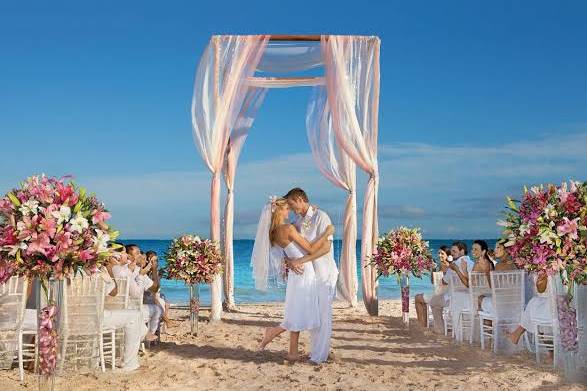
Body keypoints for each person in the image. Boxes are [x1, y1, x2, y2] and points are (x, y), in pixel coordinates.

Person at [255, 198, 334, 362]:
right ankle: (273, 332)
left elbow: (289, 249)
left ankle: (292, 352)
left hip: (296, 274)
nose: (289, 211)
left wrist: (310, 214)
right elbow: (310, 248)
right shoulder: (288, 228)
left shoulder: (275, 232)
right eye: (286, 209)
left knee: (296, 312)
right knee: (297, 314)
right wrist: (326, 233)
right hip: (303, 273)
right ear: (279, 212)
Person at [284, 188, 339, 364]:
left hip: (324, 272)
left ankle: (319, 356)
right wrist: (288, 260)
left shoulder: (322, 217)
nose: (292, 210)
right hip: (309, 276)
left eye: (292, 205)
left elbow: (326, 248)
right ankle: (317, 352)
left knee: (324, 314)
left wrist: (302, 260)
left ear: (300, 199)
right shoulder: (298, 221)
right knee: (315, 315)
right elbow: (295, 245)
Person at [97, 253, 147, 371]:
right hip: (99, 317)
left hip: (71, 320)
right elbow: (114, 292)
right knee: (135, 316)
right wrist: (111, 269)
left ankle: (141, 336)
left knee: (137, 318)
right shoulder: (108, 272)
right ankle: (129, 363)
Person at [112, 244, 160, 342]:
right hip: (130, 310)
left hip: (112, 308)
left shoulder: (114, 268)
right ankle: (146, 335)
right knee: (157, 309)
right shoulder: (135, 270)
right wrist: (154, 270)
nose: (141, 256)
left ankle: (144, 333)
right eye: (138, 253)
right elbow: (154, 289)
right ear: (129, 256)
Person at [448, 240, 494, 340]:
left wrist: (457, 270)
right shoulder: (488, 262)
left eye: (476, 249)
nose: (473, 251)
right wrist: (464, 270)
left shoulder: (479, 264)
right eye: (472, 249)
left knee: (456, 297)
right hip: (487, 294)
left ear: (483, 251)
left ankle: (462, 333)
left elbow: (469, 285)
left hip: (479, 298)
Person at [429, 241, 473, 334]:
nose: (451, 253)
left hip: (454, 300)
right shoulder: (472, 264)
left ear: (462, 251)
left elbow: (444, 282)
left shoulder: (453, 266)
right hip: (470, 300)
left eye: (454, 251)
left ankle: (439, 329)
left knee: (433, 301)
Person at [506, 273, 551, 358]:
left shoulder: (546, 270)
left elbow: (541, 290)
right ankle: (516, 333)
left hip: (553, 308)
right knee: (534, 307)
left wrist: (541, 276)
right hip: (557, 306)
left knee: (534, 304)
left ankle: (516, 333)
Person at [414, 246, 451, 328]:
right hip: (440, 294)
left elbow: (443, 282)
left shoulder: (448, 267)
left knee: (417, 298)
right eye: (439, 253)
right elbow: (432, 281)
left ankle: (422, 325)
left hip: (441, 296)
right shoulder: (443, 266)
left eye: (442, 253)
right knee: (421, 299)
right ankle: (424, 324)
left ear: (448, 255)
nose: (440, 255)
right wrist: (433, 270)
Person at [145, 251, 172, 328]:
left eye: (156, 260)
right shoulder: (146, 271)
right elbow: (152, 288)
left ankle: (164, 320)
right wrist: (153, 270)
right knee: (157, 301)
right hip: (149, 293)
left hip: (155, 292)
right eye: (152, 261)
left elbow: (157, 286)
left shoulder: (158, 271)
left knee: (166, 303)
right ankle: (167, 321)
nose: (155, 262)